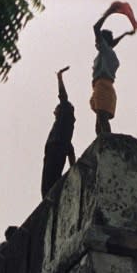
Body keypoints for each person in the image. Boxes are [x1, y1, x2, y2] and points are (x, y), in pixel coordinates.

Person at [90, 5, 137, 136]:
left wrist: (108, 13)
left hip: (102, 86)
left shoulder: (105, 51)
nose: (95, 42)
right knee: (99, 122)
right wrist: (125, 34)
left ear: (103, 41)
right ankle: (103, 143)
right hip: (105, 87)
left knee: (102, 120)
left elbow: (95, 28)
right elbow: (112, 43)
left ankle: (108, 143)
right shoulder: (109, 53)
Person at [41, 67, 76, 199]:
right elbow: (70, 151)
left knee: (48, 186)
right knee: (49, 186)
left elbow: (63, 97)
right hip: (54, 151)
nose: (54, 112)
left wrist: (60, 79)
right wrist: (74, 168)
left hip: (55, 151)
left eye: (56, 109)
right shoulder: (64, 129)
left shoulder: (63, 120)